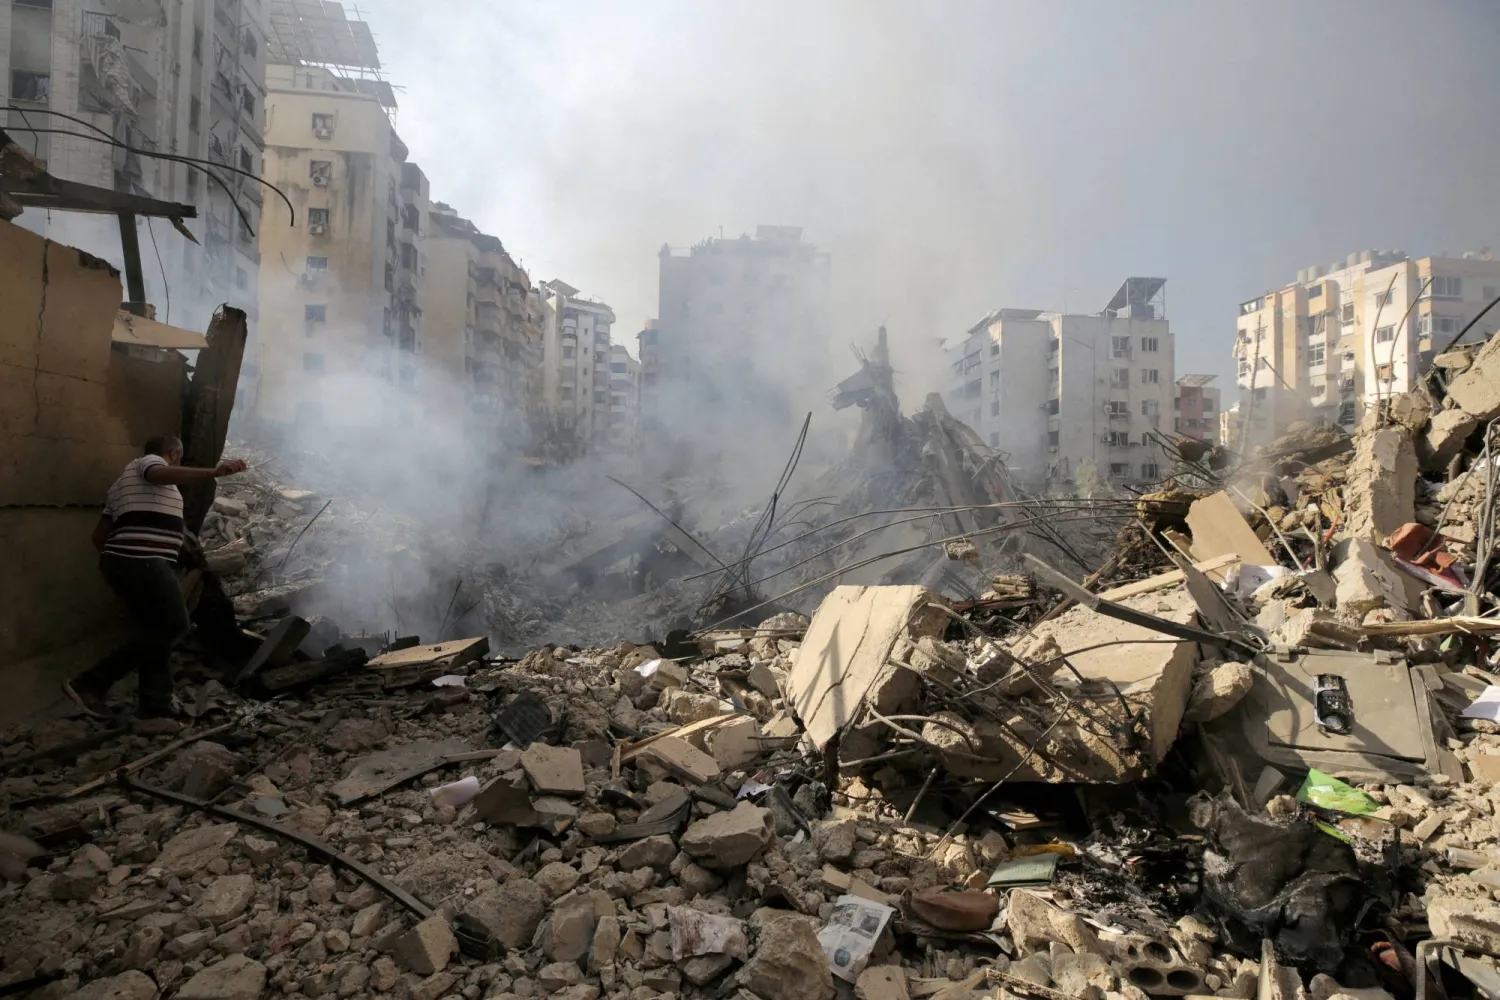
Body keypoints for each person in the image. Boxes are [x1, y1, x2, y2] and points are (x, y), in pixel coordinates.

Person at [63, 435, 247, 720]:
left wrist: (118, 559)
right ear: (173, 454)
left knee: (157, 630)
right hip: (142, 562)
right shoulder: (147, 464)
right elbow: (158, 473)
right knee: (174, 625)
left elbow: (99, 536)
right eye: (179, 459)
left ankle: (155, 704)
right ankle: (90, 683)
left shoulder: (119, 488)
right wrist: (213, 472)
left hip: (126, 562)